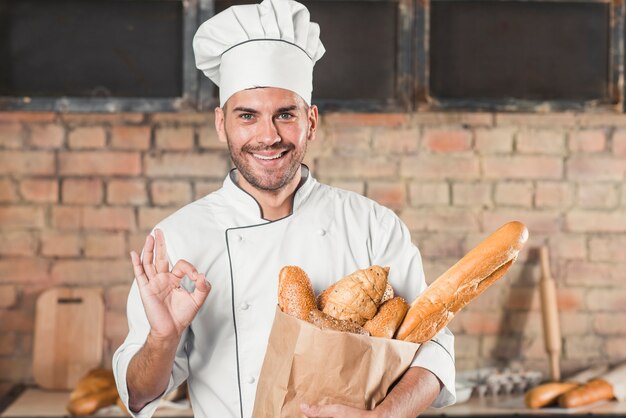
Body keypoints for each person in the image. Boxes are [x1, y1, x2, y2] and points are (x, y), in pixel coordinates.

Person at [112, 0, 456, 417]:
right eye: (247, 116)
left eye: (285, 115)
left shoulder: (372, 226)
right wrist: (164, 338)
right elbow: (139, 395)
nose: (267, 136)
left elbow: (432, 349)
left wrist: (382, 417)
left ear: (311, 120)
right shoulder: (178, 238)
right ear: (222, 123)